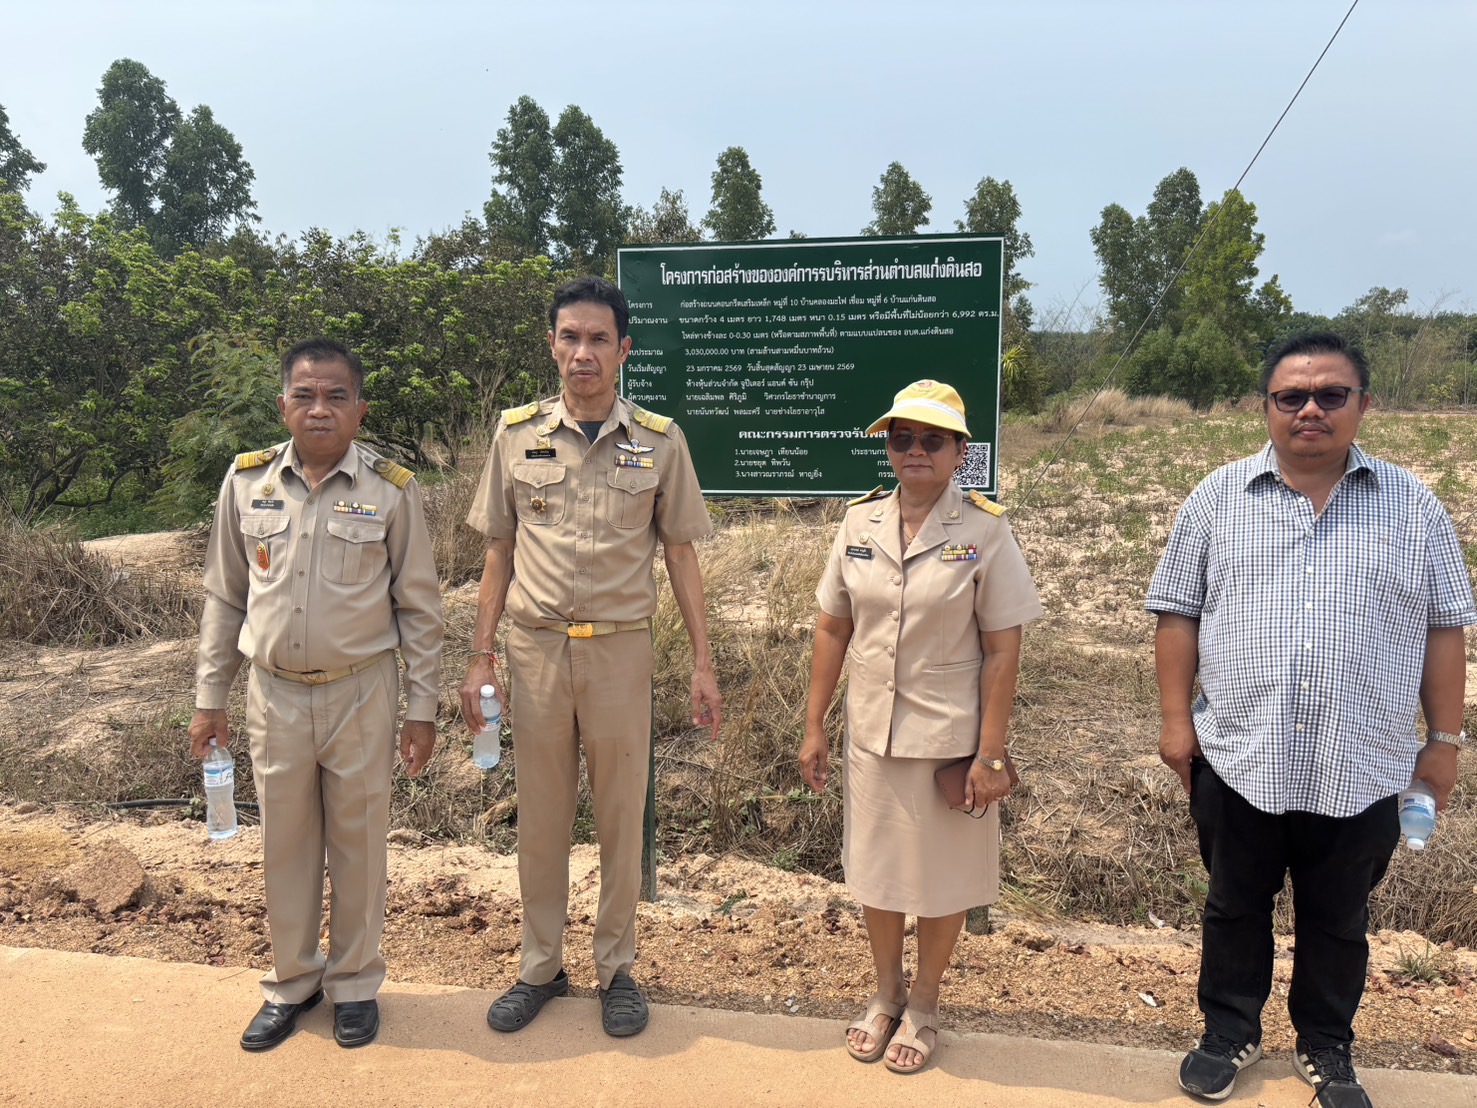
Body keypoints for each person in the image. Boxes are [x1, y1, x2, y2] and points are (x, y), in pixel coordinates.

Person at [1147, 333, 1474, 1107]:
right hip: (1239, 753)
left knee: (1338, 918)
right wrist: (1173, 721)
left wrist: (1443, 742)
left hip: (1364, 760)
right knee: (1233, 906)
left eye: (1330, 395)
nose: (1309, 410)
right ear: (1265, 406)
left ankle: (1325, 1046)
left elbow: (1443, 628)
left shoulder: (1412, 506)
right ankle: (1228, 1032)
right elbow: (1176, 614)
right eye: (1290, 396)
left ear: (1363, 404)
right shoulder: (1216, 498)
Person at [461, 275, 721, 1039]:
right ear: (551, 346)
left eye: (598, 339)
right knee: (541, 820)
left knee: (617, 818)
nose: (583, 353)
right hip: (535, 651)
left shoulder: (660, 441)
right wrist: (480, 656)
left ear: (623, 349)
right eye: (570, 337)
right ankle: (539, 966)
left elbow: (681, 556)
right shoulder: (515, 435)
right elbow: (498, 551)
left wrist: (703, 662)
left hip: (618, 652)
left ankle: (616, 969)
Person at [189, 338, 444, 1052]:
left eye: (336, 396)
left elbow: (419, 608)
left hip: (360, 692)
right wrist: (209, 697)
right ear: (283, 406)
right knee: (286, 845)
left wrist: (421, 709)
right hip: (272, 695)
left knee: (359, 843)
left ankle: (355, 984)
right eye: (304, 396)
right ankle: (293, 983)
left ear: (359, 409)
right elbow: (225, 597)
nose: (320, 409)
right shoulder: (246, 482)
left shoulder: (391, 489)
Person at [799, 379, 1043, 1074]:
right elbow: (832, 627)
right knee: (877, 874)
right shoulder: (859, 523)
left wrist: (990, 753)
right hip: (871, 735)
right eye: (901, 438)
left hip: (948, 743)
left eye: (932, 440)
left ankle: (925, 1003)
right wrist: (814, 725)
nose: (914, 450)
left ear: (960, 452)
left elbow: (1003, 649)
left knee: (943, 880)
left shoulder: (984, 531)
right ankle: (886, 993)